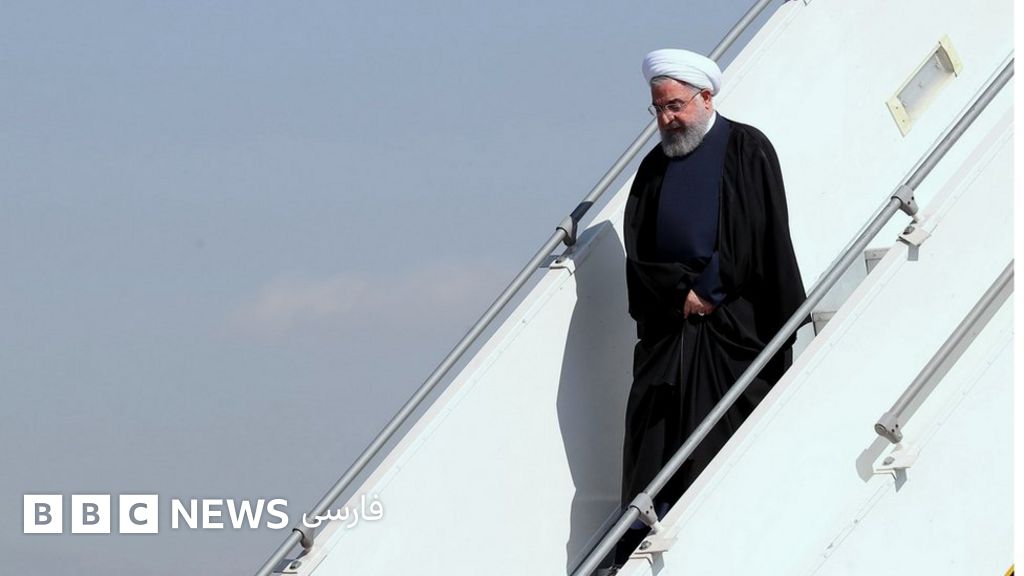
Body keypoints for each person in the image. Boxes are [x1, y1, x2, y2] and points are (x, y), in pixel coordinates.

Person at [612, 48, 807, 568]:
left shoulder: (746, 147)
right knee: (652, 440)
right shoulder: (653, 168)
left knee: (722, 442)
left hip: (734, 325)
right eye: (658, 108)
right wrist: (678, 293)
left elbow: (757, 230)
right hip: (671, 327)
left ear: (705, 98)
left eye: (675, 106)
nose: (666, 119)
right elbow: (639, 248)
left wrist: (708, 290)